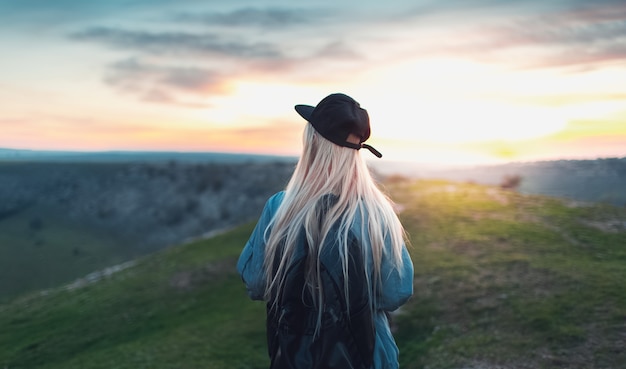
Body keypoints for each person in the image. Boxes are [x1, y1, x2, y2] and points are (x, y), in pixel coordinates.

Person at [237, 93, 414, 369]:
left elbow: (256, 282)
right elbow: (396, 292)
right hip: (364, 356)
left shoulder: (280, 208)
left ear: (312, 144)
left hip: (297, 355)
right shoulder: (377, 213)